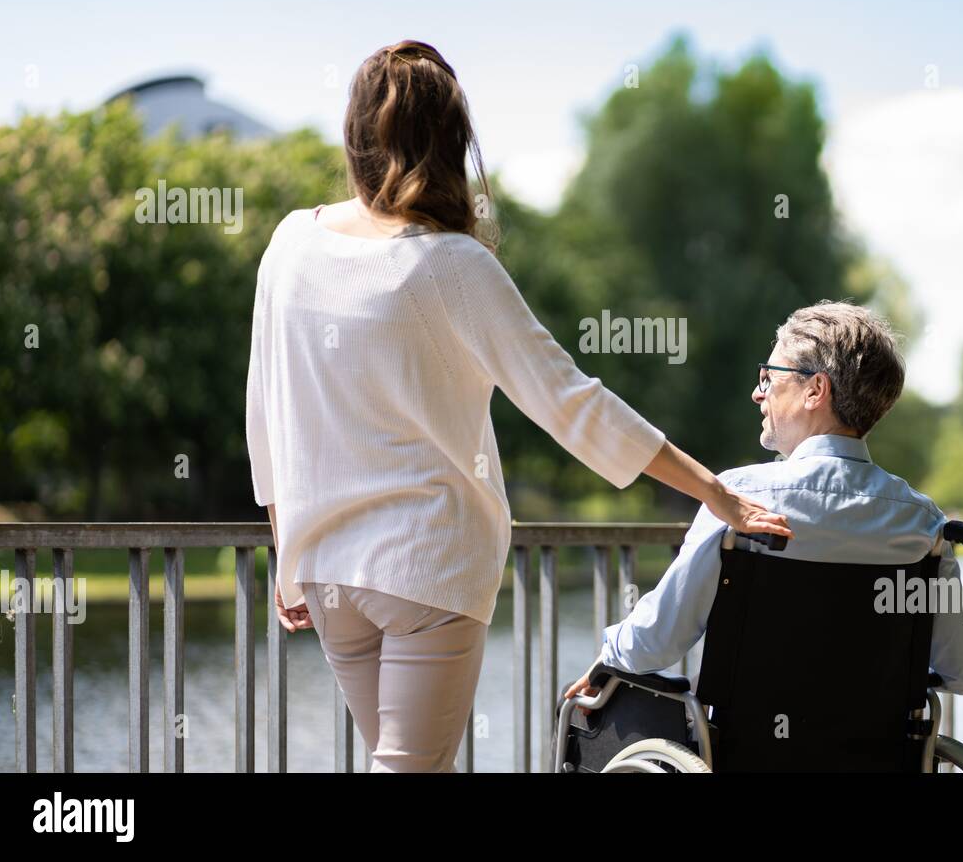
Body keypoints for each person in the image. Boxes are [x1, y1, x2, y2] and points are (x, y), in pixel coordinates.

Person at [244, 39, 790, 772]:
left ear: (355, 139)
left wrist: (290, 547)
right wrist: (717, 493)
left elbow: (267, 412)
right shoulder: (452, 264)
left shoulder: (288, 243)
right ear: (451, 146)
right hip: (427, 567)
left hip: (328, 573)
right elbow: (572, 402)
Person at [564, 300, 963, 713]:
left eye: (769, 377)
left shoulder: (739, 501)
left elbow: (654, 644)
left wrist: (610, 654)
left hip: (747, 751)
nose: (756, 393)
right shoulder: (922, 524)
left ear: (815, 390)